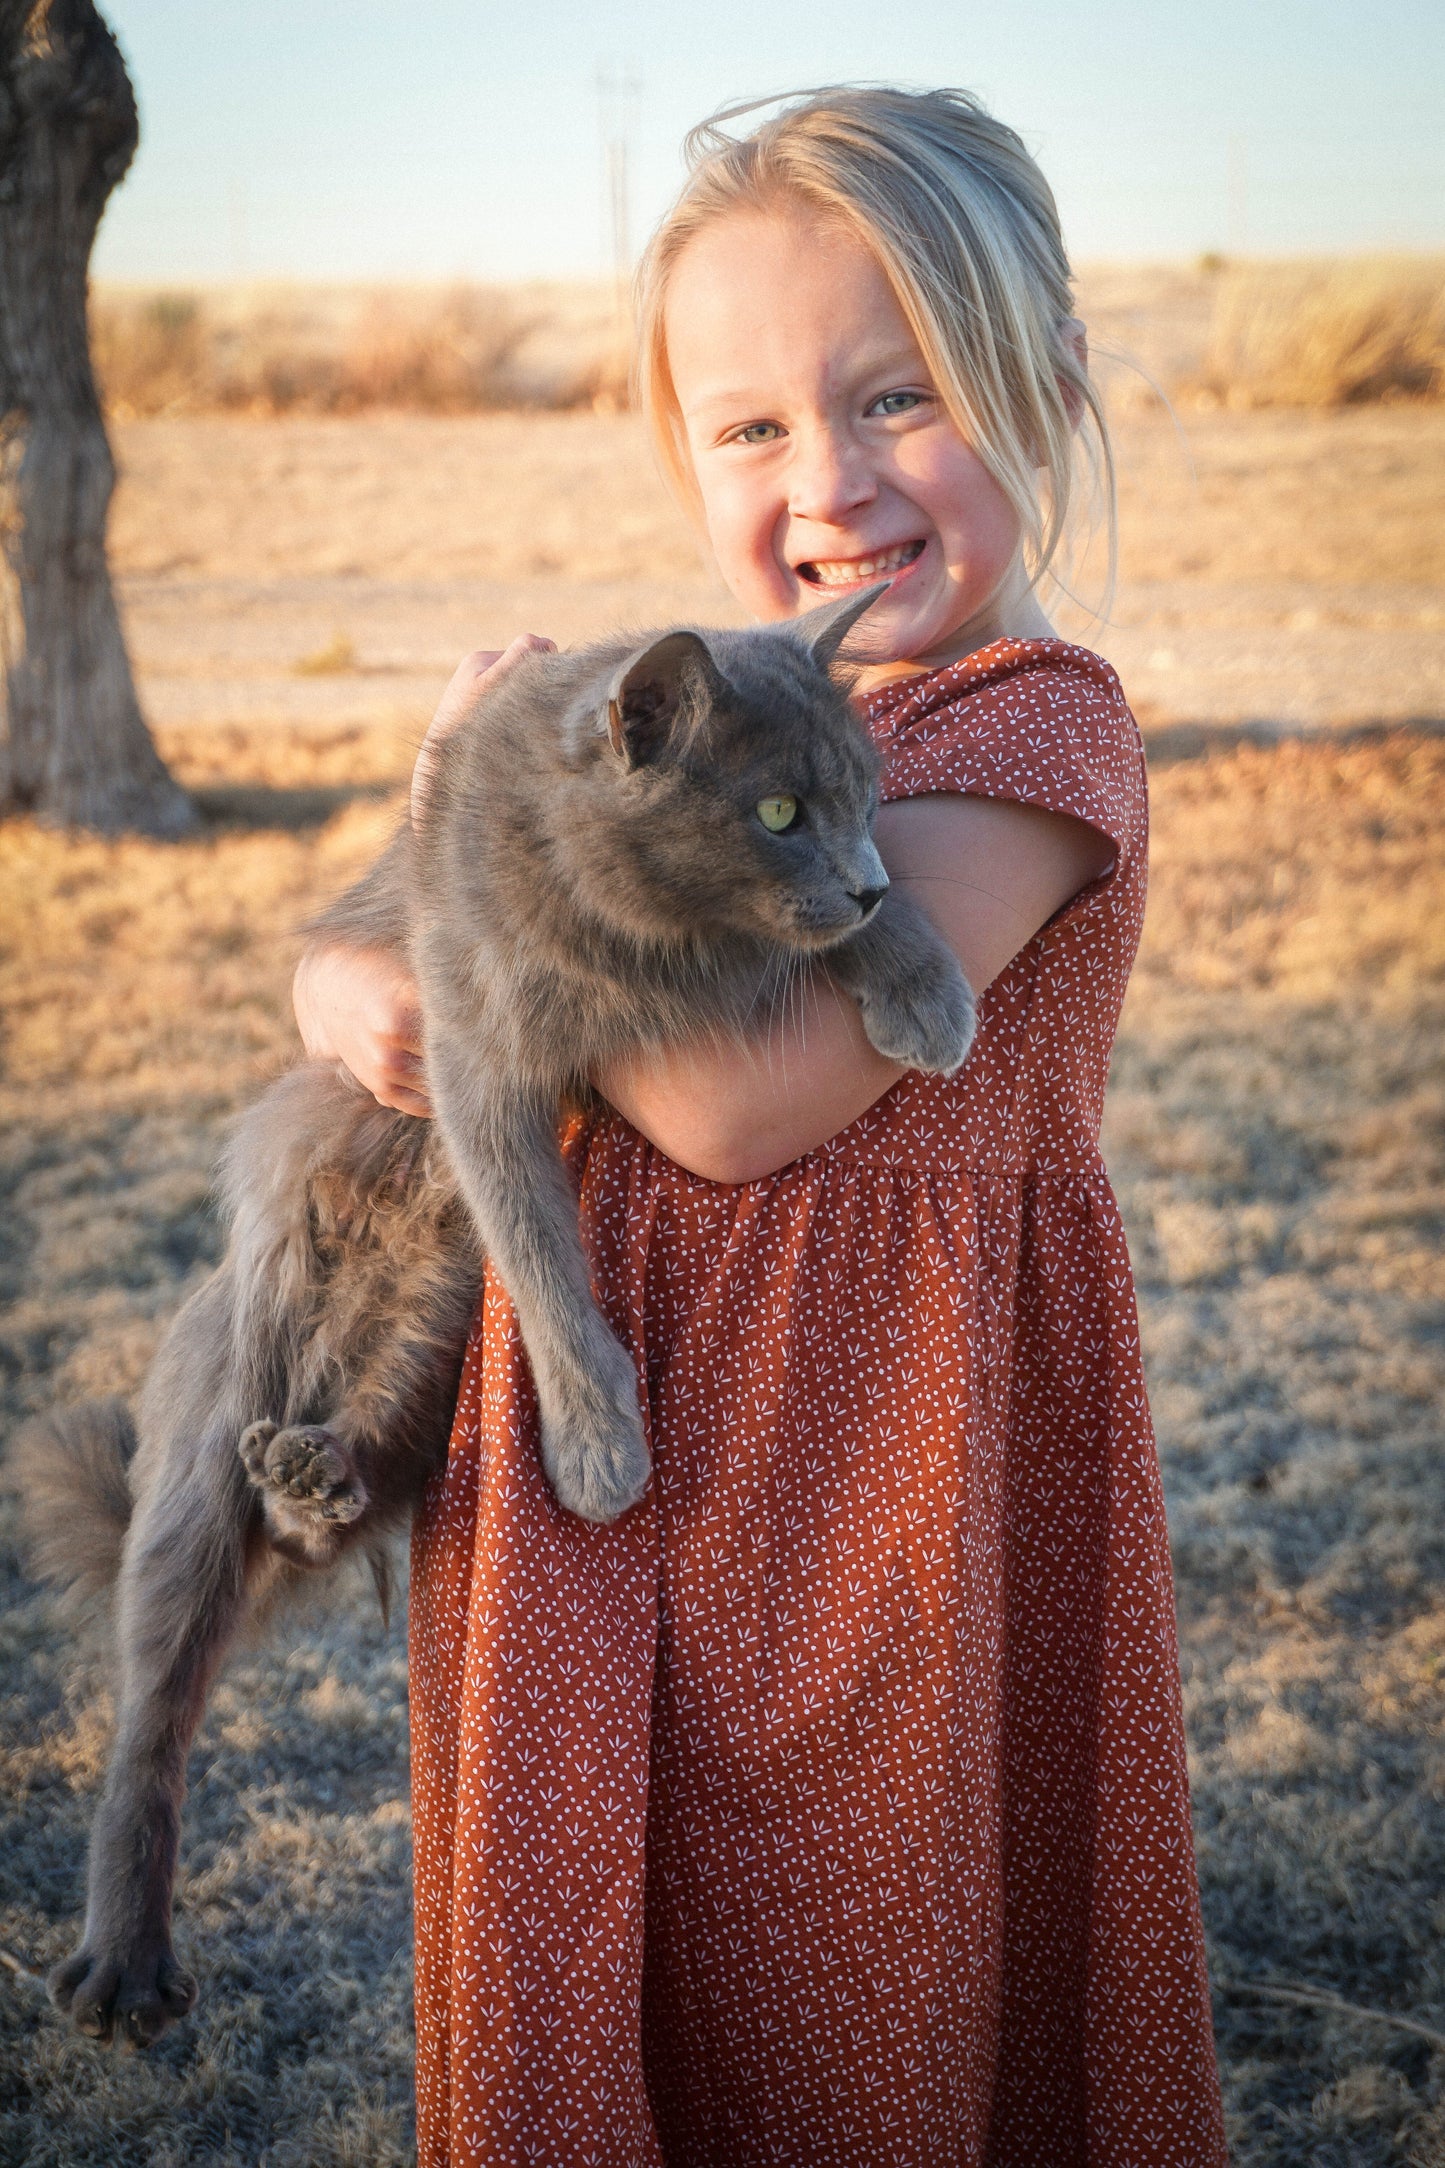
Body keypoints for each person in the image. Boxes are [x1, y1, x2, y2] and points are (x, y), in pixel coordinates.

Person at [294, 85, 1229, 2168]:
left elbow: (729, 1100)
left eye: (899, 397)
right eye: (749, 428)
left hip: (867, 1492)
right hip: (600, 1472)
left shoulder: (1032, 731)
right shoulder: (727, 729)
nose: (830, 481)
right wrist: (366, 973)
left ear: (1046, 384)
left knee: (842, 1991)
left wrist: (475, 819)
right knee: (593, 1980)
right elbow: (379, 976)